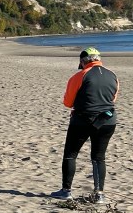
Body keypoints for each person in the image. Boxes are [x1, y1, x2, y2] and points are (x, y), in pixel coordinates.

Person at [50, 47, 119, 204]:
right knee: (98, 157)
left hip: (83, 120)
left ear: (83, 61)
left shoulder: (80, 76)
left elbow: (68, 102)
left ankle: (66, 191)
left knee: (70, 154)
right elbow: (113, 98)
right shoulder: (112, 75)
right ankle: (99, 194)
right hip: (108, 120)